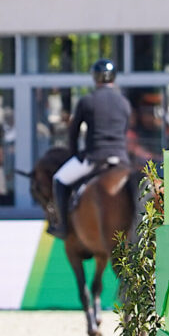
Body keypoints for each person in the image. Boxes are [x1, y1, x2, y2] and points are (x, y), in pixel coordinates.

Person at [50, 59, 131, 237]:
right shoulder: (124, 103)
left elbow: (73, 132)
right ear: (113, 77)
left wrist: (73, 155)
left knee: (59, 179)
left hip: (95, 157)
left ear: (95, 78)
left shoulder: (87, 101)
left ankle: (62, 226)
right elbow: (124, 131)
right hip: (120, 159)